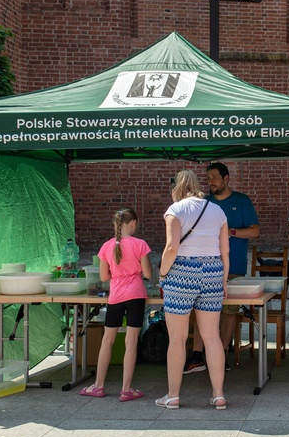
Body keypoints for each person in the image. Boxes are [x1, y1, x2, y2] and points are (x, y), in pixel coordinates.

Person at [156, 169, 229, 410]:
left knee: (177, 338)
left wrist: (163, 275)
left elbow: (171, 249)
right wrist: (224, 280)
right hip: (212, 271)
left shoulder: (175, 210)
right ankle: (218, 395)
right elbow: (225, 251)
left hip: (182, 273)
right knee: (212, 337)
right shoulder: (217, 210)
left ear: (177, 187)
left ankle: (173, 395)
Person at [185, 162, 259, 374]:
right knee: (203, 312)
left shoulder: (241, 201)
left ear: (226, 179)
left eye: (215, 177)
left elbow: (255, 231)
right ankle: (198, 356)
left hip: (233, 267)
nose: (211, 182)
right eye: (208, 178)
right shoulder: (203, 203)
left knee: (228, 312)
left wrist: (231, 232)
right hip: (204, 267)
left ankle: (222, 354)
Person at [80, 208, 152, 402]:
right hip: (136, 295)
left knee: (107, 341)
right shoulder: (140, 244)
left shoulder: (107, 246)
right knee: (131, 341)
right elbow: (147, 274)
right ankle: (126, 389)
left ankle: (98, 386)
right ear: (133, 223)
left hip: (116, 296)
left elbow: (103, 276)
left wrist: (119, 274)